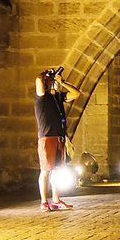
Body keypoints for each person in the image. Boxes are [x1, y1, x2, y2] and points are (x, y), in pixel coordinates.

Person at [34, 67, 80, 211]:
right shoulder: (41, 96)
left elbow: (76, 93)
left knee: (58, 171)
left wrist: (62, 82)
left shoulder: (58, 97)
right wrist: (47, 74)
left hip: (60, 137)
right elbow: (38, 81)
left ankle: (56, 200)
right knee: (45, 170)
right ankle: (43, 201)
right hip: (47, 137)